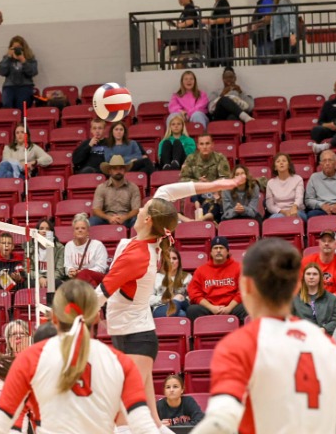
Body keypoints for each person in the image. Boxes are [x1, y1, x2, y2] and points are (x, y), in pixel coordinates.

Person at [191, 238, 336, 434]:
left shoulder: (238, 345)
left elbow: (220, 422)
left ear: (246, 286)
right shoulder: (328, 346)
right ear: (296, 286)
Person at [95, 176, 244, 429]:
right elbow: (171, 190)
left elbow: (101, 293)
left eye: (143, 209)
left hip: (135, 338)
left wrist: (65, 315)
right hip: (129, 334)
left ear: (148, 220)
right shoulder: (151, 231)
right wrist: (220, 184)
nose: (139, 209)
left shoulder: (138, 255)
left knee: (123, 414)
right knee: (151, 421)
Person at [0, 280, 159, 434]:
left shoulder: (30, 359)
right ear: (97, 316)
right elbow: (145, 426)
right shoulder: (120, 362)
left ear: (53, 318)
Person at [186, 236, 247, 322]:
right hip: (209, 308)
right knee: (192, 310)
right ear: (210, 252)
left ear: (227, 252)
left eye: (221, 248)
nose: (218, 250)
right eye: (215, 248)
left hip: (232, 307)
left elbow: (243, 290)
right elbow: (194, 294)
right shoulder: (201, 270)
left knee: (247, 307)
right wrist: (211, 307)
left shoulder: (239, 267)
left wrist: (229, 308)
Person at [180, 133, 231, 223]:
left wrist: (209, 184)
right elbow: (183, 179)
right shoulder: (191, 159)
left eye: (207, 143)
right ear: (198, 146)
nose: (204, 147)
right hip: (196, 192)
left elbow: (225, 179)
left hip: (214, 193)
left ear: (212, 145)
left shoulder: (220, 158)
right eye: (202, 144)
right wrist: (199, 183)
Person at [89, 155, 141, 229]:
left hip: (126, 219)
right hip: (106, 219)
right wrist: (109, 218)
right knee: (92, 221)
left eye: (121, 168)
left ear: (124, 170)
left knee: (137, 220)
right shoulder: (101, 187)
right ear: (110, 171)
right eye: (115, 169)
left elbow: (136, 209)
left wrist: (124, 217)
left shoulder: (133, 187)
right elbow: (96, 209)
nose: (118, 171)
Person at [292, 262, 336, 335]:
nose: (311, 277)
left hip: (324, 336)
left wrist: (324, 329)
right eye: (308, 274)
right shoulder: (294, 298)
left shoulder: (331, 299)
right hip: (302, 336)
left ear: (320, 277)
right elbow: (290, 319)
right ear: (303, 276)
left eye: (315, 274)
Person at [301, 230, 336, 298]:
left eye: (330, 241)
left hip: (333, 300)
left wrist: (328, 299)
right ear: (319, 243)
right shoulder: (306, 261)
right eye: (323, 241)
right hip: (309, 298)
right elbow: (298, 283)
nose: (326, 243)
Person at [63, 213, 109, 286]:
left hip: (96, 278)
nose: (80, 230)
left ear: (88, 232)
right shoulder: (69, 245)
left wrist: (82, 272)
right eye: (77, 228)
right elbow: (67, 265)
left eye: (83, 228)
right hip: (77, 279)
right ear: (73, 232)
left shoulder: (98, 245)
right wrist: (71, 271)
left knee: (83, 274)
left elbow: (101, 268)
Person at [23, 218, 65, 289]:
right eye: (41, 228)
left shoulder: (59, 248)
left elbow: (59, 270)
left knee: (58, 283)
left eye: (47, 229)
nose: (44, 231)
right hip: (36, 278)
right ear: (37, 232)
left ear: (52, 232)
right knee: (28, 284)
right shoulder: (29, 248)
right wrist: (40, 278)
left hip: (53, 278)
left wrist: (49, 279)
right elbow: (28, 270)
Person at [0, 35, 37, 110]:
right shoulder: (7, 59)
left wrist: (23, 60)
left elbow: (32, 72)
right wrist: (8, 57)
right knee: (7, 105)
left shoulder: (30, 58)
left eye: (18, 47)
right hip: (9, 87)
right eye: (14, 48)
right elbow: (2, 72)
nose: (16, 50)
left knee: (22, 106)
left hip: (25, 86)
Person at [150, 247, 191, 318]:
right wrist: (166, 299)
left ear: (179, 261)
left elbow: (191, 297)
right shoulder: (156, 277)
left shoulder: (187, 277)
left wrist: (182, 299)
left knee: (180, 301)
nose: (171, 261)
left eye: (174, 258)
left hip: (182, 306)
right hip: (161, 308)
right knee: (182, 314)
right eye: (168, 258)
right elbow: (149, 300)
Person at [265, 152, 307, 221]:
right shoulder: (270, 183)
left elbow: (299, 197)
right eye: (278, 161)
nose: (281, 163)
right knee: (274, 219)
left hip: (297, 210)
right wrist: (282, 211)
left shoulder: (298, 179)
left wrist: (294, 207)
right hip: (279, 213)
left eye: (284, 161)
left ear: (289, 165)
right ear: (275, 167)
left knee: (294, 215)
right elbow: (270, 205)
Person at [201, 0, 233, 67]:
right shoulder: (217, 3)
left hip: (222, 36)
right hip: (216, 36)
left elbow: (227, 18)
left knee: (223, 59)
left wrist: (212, 21)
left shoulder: (223, 2)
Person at [268, 0, 298, 64]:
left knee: (275, 63)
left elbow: (290, 18)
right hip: (280, 37)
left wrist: (292, 34)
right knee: (293, 61)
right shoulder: (277, 4)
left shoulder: (283, 2)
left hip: (284, 38)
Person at [249, 0, 274, 65]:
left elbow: (269, 17)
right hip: (263, 38)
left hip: (265, 38)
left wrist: (257, 24)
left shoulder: (266, 1)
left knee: (264, 65)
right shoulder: (264, 0)